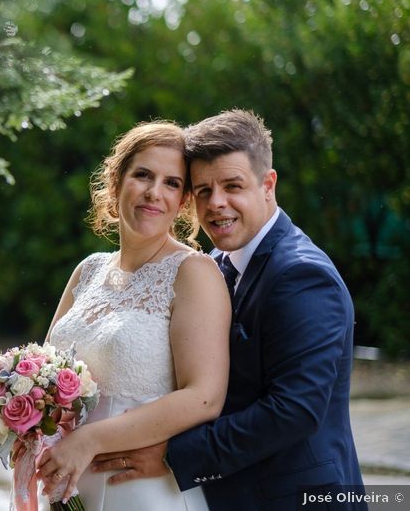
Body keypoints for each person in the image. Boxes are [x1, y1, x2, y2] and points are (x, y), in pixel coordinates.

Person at [90, 110, 366, 510]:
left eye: (232, 186)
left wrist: (173, 455)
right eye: (203, 190)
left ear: (267, 184)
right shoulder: (213, 264)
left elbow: (294, 410)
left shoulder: (301, 274)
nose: (217, 203)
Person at [37, 121, 231, 510]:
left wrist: (90, 440)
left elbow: (205, 397)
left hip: (142, 492)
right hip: (67, 488)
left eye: (171, 183)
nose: (153, 192)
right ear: (116, 182)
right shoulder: (88, 271)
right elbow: (44, 374)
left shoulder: (193, 272)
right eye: (142, 175)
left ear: (183, 201)